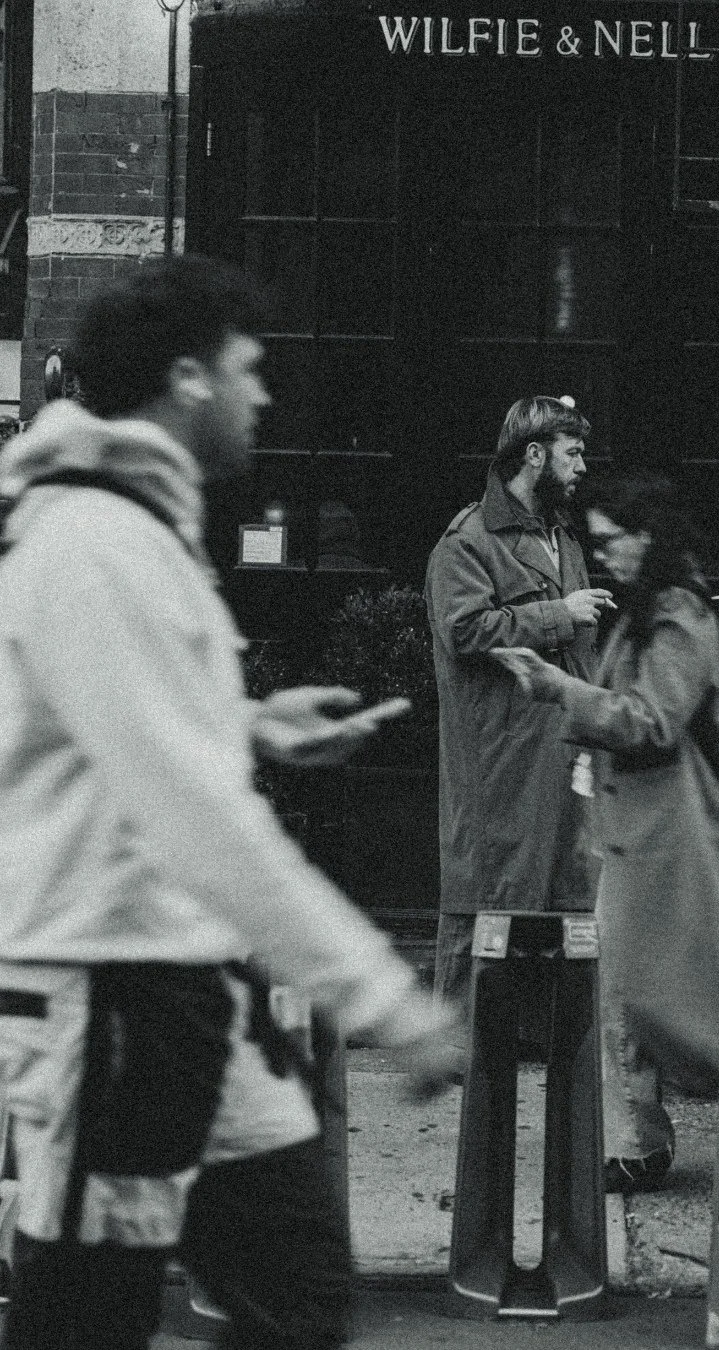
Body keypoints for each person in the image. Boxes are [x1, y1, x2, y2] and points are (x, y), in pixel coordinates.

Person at [0, 254, 459, 1350]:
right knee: (84, 1323)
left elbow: (109, 735)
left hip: (181, 988)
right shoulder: (96, 543)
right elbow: (192, 814)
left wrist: (249, 727)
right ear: (188, 379)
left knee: (297, 1296)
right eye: (249, 371)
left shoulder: (124, 532)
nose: (265, 397)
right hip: (104, 994)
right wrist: (384, 1000)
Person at [492, 473, 719, 1193]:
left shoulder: (678, 612)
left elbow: (651, 720)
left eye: (613, 539)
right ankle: (645, 1136)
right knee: (639, 987)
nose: (604, 554)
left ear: (650, 536)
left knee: (665, 988)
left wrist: (558, 689)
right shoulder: (655, 610)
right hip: (642, 830)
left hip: (671, 832)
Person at [424, 395, 613, 1038]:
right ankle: (460, 1047)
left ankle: (554, 1042)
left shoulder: (562, 537)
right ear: (534, 455)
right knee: (490, 894)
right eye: (573, 451)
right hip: (500, 756)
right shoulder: (468, 540)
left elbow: (582, 652)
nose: (583, 465)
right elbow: (465, 629)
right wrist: (560, 614)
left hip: (562, 747)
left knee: (566, 892)